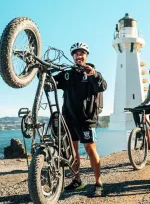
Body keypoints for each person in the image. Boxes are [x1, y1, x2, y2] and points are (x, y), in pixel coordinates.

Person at [53, 42, 107, 197]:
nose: (79, 55)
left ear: (86, 56)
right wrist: (40, 73)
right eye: (76, 53)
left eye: (82, 53)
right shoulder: (67, 74)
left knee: (90, 150)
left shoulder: (92, 73)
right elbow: (53, 83)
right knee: (73, 151)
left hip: (86, 119)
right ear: (73, 57)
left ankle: (98, 183)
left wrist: (94, 74)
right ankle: (77, 180)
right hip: (69, 119)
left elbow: (102, 86)